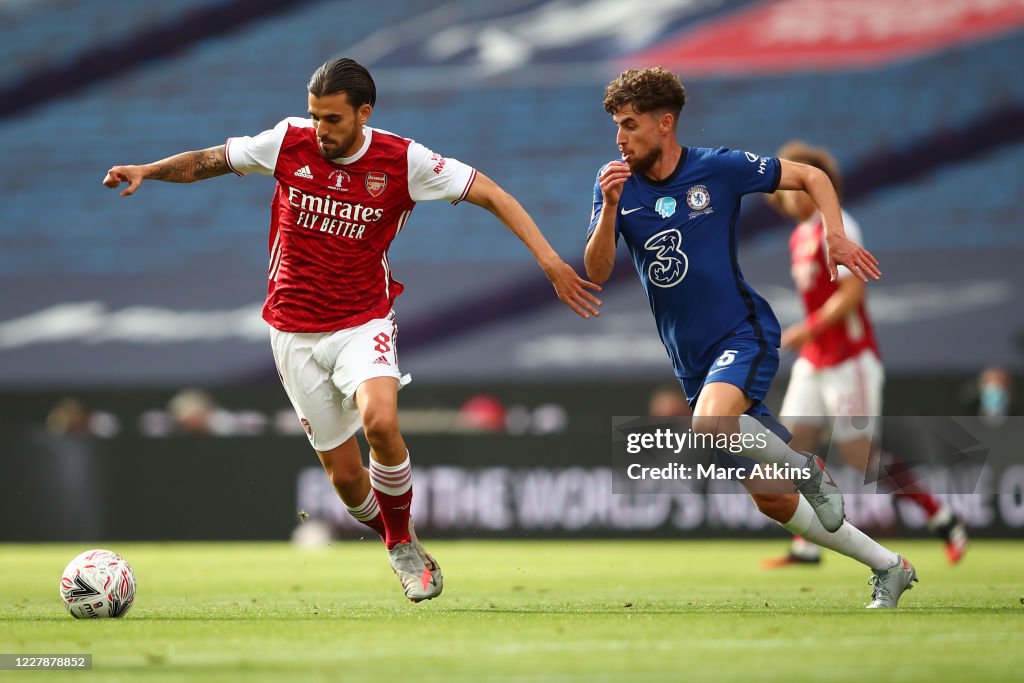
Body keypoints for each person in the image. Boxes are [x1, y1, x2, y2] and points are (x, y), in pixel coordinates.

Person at [104, 57, 602, 602]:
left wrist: (551, 261)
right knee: (345, 479)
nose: (320, 130)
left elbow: (492, 194)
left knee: (381, 422)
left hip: (362, 320)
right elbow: (209, 160)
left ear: (364, 113)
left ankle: (402, 549)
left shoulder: (404, 160)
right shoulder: (287, 140)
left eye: (333, 120)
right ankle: (397, 534)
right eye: (316, 116)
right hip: (292, 331)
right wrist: (147, 171)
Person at [586, 66, 916, 608]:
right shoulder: (615, 184)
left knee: (711, 423)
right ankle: (889, 566)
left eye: (629, 125)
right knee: (771, 499)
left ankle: (807, 467)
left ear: (664, 123)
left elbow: (812, 176)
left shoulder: (717, 168)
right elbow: (596, 271)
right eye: (616, 127)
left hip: (743, 332)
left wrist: (834, 232)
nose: (620, 138)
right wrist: (610, 212)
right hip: (691, 361)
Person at [765, 140, 967, 567]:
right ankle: (806, 546)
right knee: (790, 447)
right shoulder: (799, 236)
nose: (781, 197)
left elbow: (852, 293)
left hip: (850, 360)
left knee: (860, 457)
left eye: (787, 187)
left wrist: (807, 328)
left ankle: (942, 517)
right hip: (816, 361)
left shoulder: (839, 227)